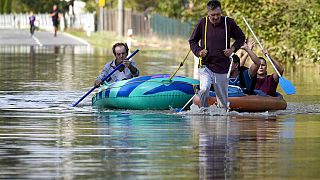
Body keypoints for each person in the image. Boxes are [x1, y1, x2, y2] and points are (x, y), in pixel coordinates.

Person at [189, 0, 245, 111]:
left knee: (223, 103)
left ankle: (222, 120)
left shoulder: (228, 23)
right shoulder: (202, 23)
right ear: (208, 13)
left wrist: (232, 49)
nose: (215, 17)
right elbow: (192, 41)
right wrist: (199, 51)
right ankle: (203, 111)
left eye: (218, 14)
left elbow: (241, 37)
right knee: (204, 89)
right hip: (206, 65)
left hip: (223, 67)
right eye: (212, 15)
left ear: (221, 12)